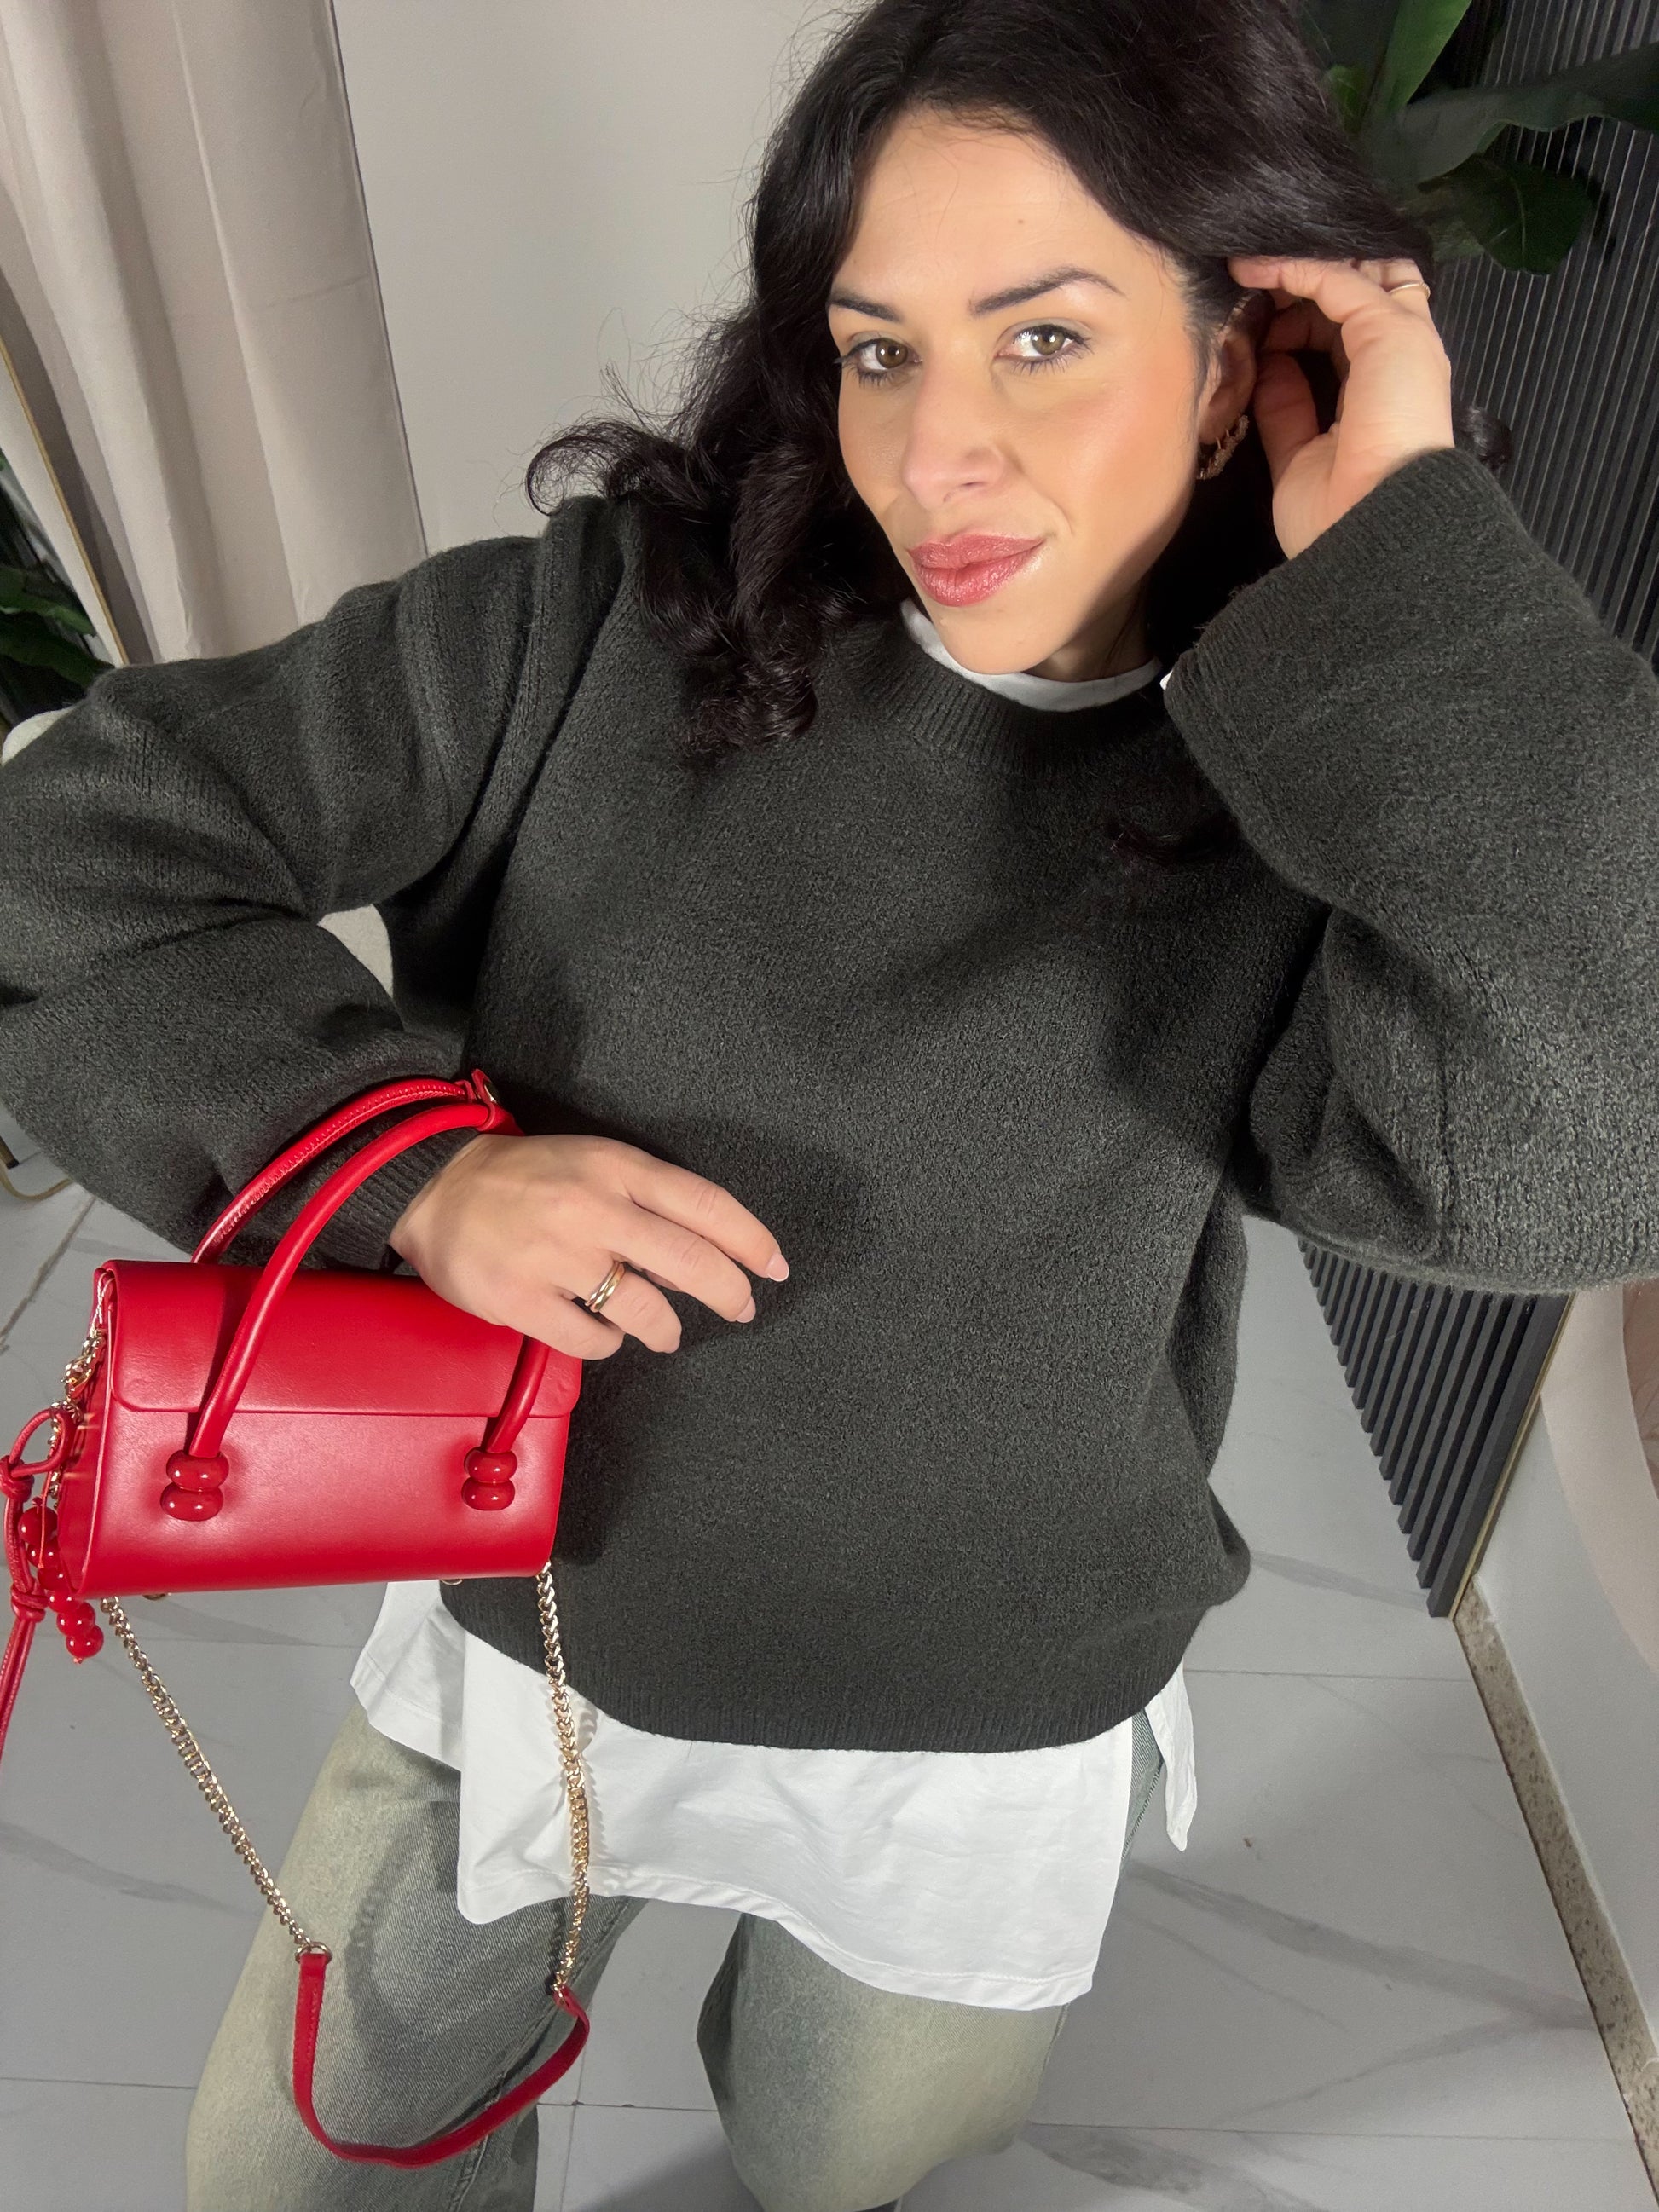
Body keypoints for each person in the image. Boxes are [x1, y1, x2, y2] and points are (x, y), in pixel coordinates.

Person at [3, 1, 1656, 2207]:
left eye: (1044, 338)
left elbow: (1586, 1163)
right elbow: (64, 855)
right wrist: (415, 1171)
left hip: (976, 1720)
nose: (939, 452)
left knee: (848, 2176)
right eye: (882, 349)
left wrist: (1411, 573)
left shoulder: (1308, 761)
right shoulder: (593, 633)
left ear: (1238, 354)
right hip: (539, 1625)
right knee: (293, 2177)